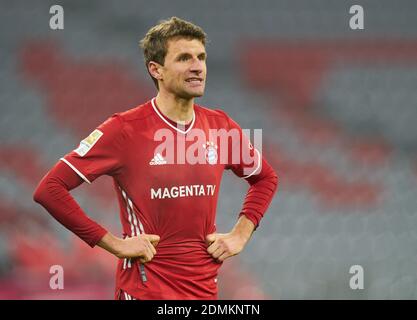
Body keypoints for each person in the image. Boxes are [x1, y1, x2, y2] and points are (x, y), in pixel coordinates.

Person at [33, 17, 278, 300]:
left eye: (201, 57)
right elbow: (49, 190)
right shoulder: (124, 129)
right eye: (184, 58)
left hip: (203, 291)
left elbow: (265, 178)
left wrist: (240, 233)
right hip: (145, 290)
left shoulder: (220, 127)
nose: (197, 66)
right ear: (156, 69)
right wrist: (113, 243)